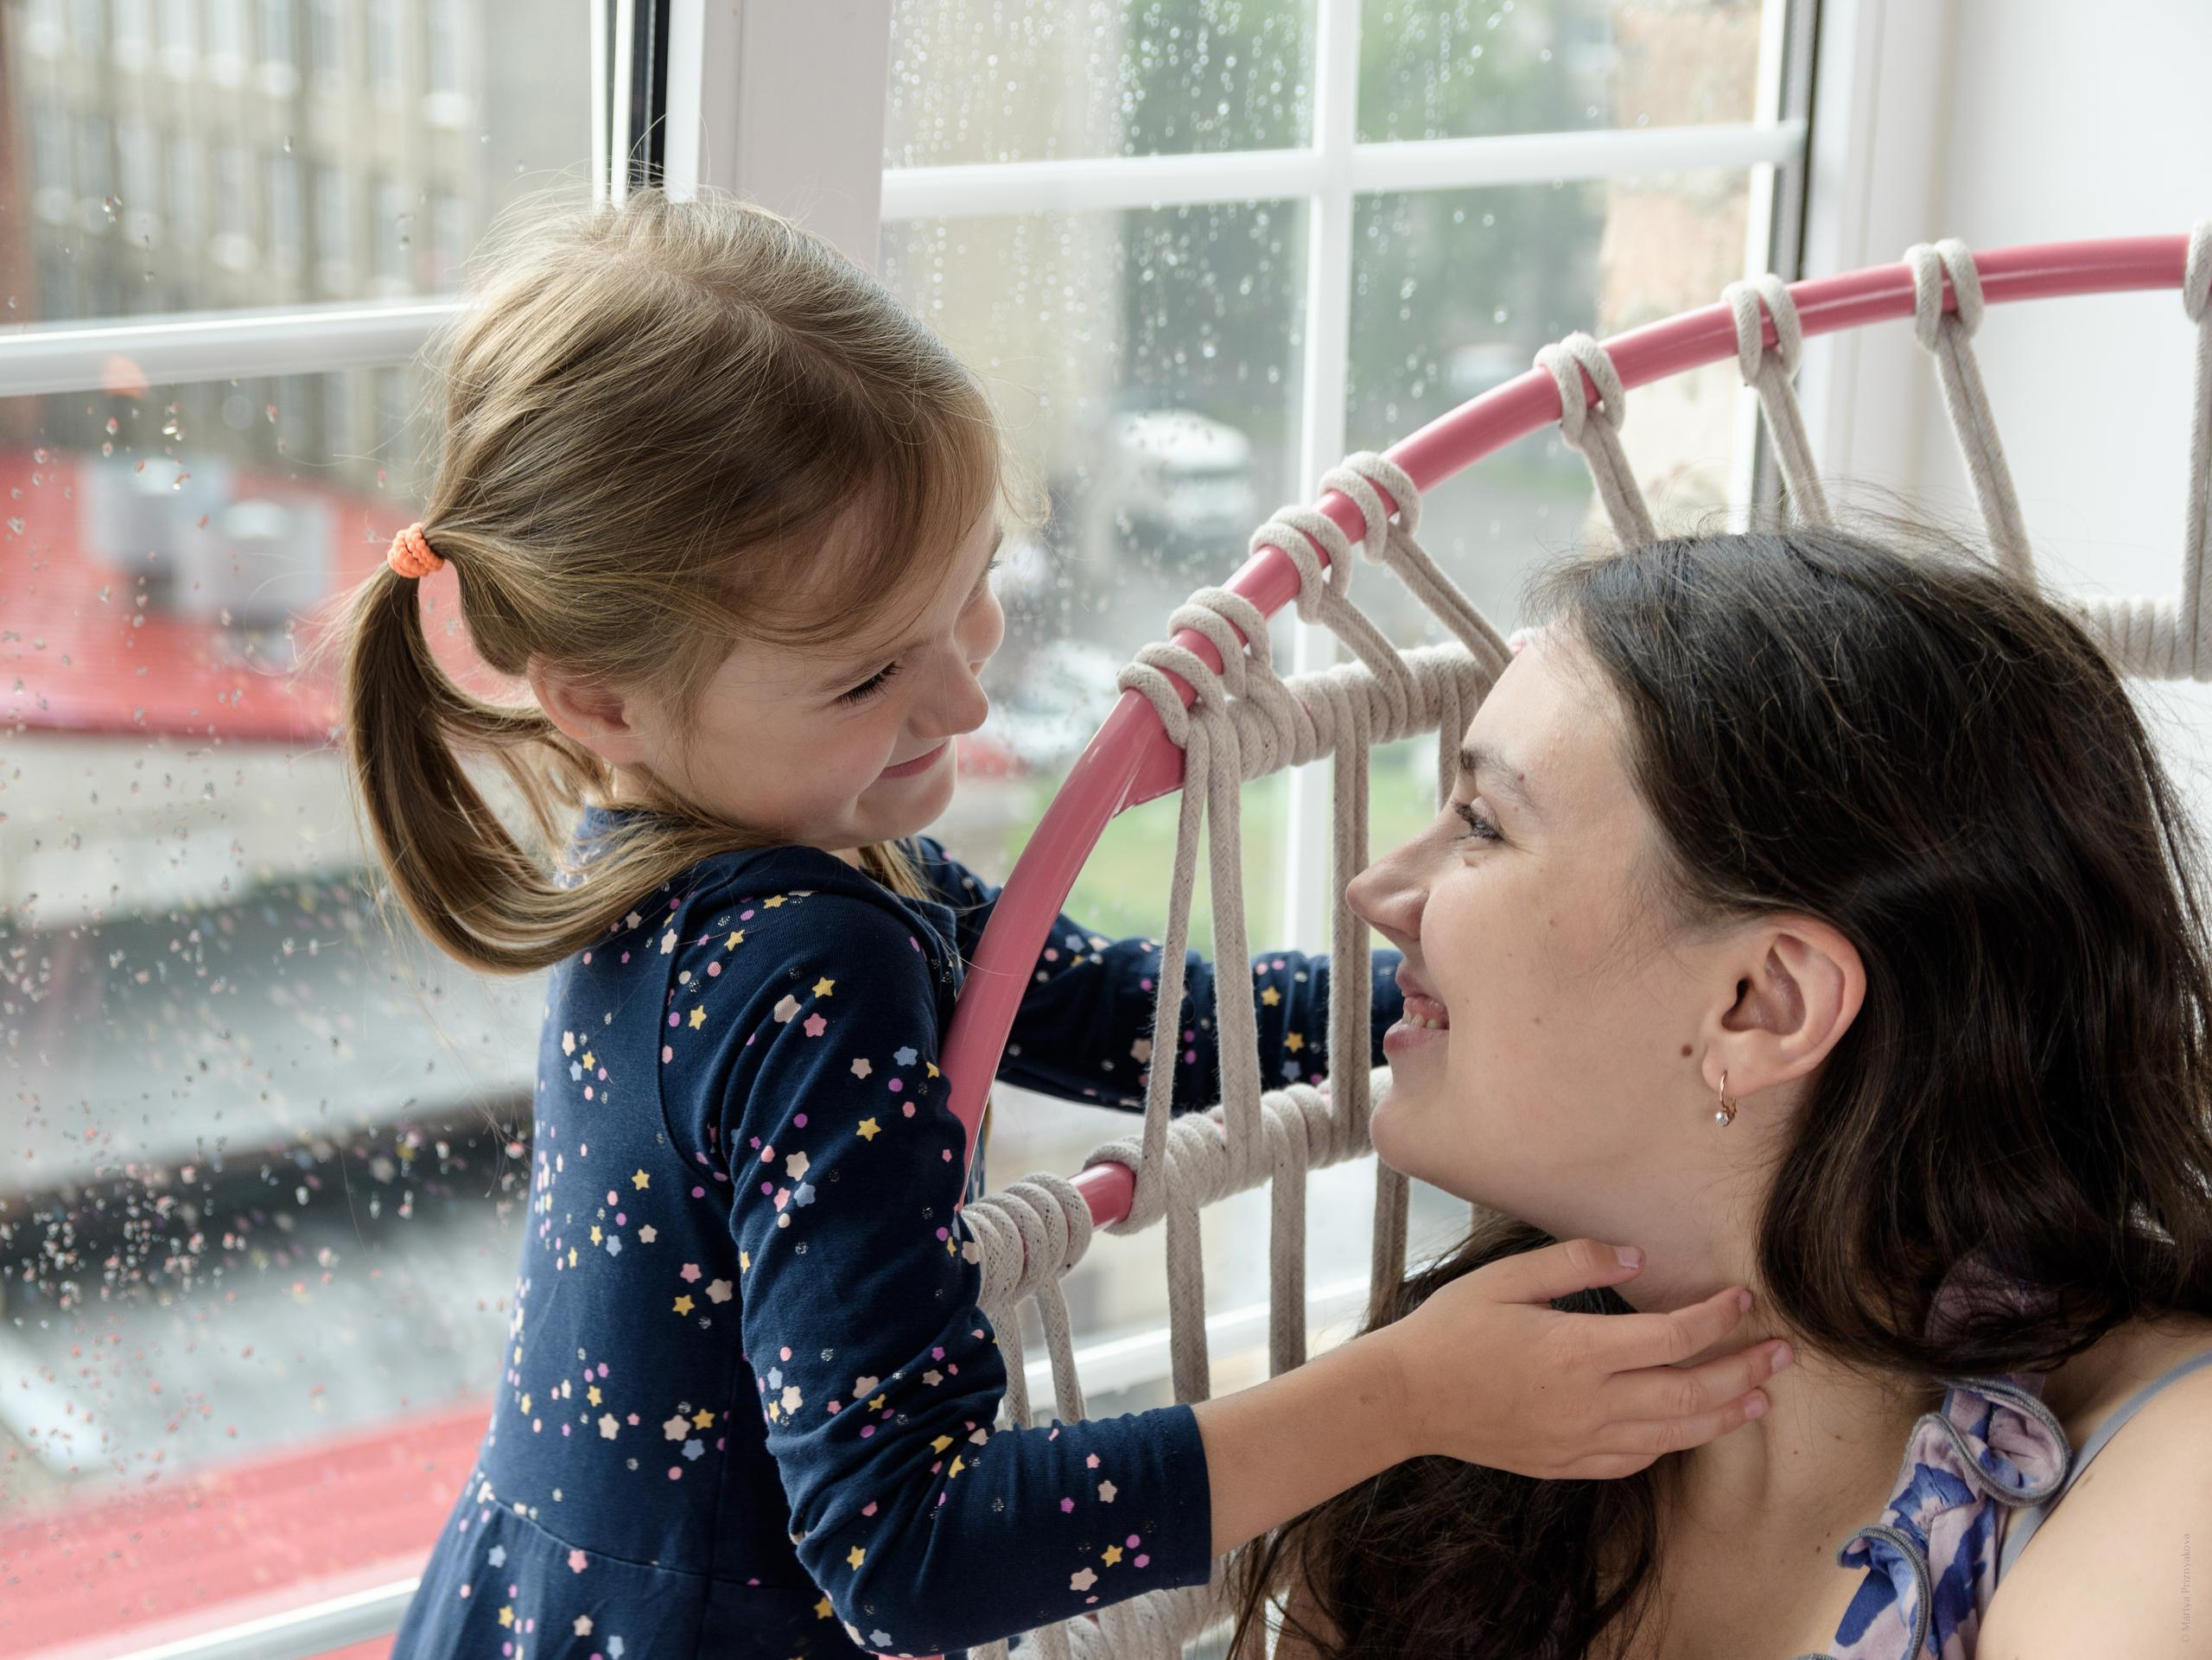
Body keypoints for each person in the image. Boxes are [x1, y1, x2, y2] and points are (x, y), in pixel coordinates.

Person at [319, 187, 1783, 1660]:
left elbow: (1125, 1020)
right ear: (598, 697)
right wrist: (1410, 1391)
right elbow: (913, 1548)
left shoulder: (711, 847)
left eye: (974, 598)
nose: (961, 699)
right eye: (863, 675)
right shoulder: (801, 956)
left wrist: (1489, 979)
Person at [1231, 524, 2212, 1659]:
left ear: (1763, 1003)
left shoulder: (2168, 1479)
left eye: (1484, 825)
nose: (1377, 887)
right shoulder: (1444, 1460)